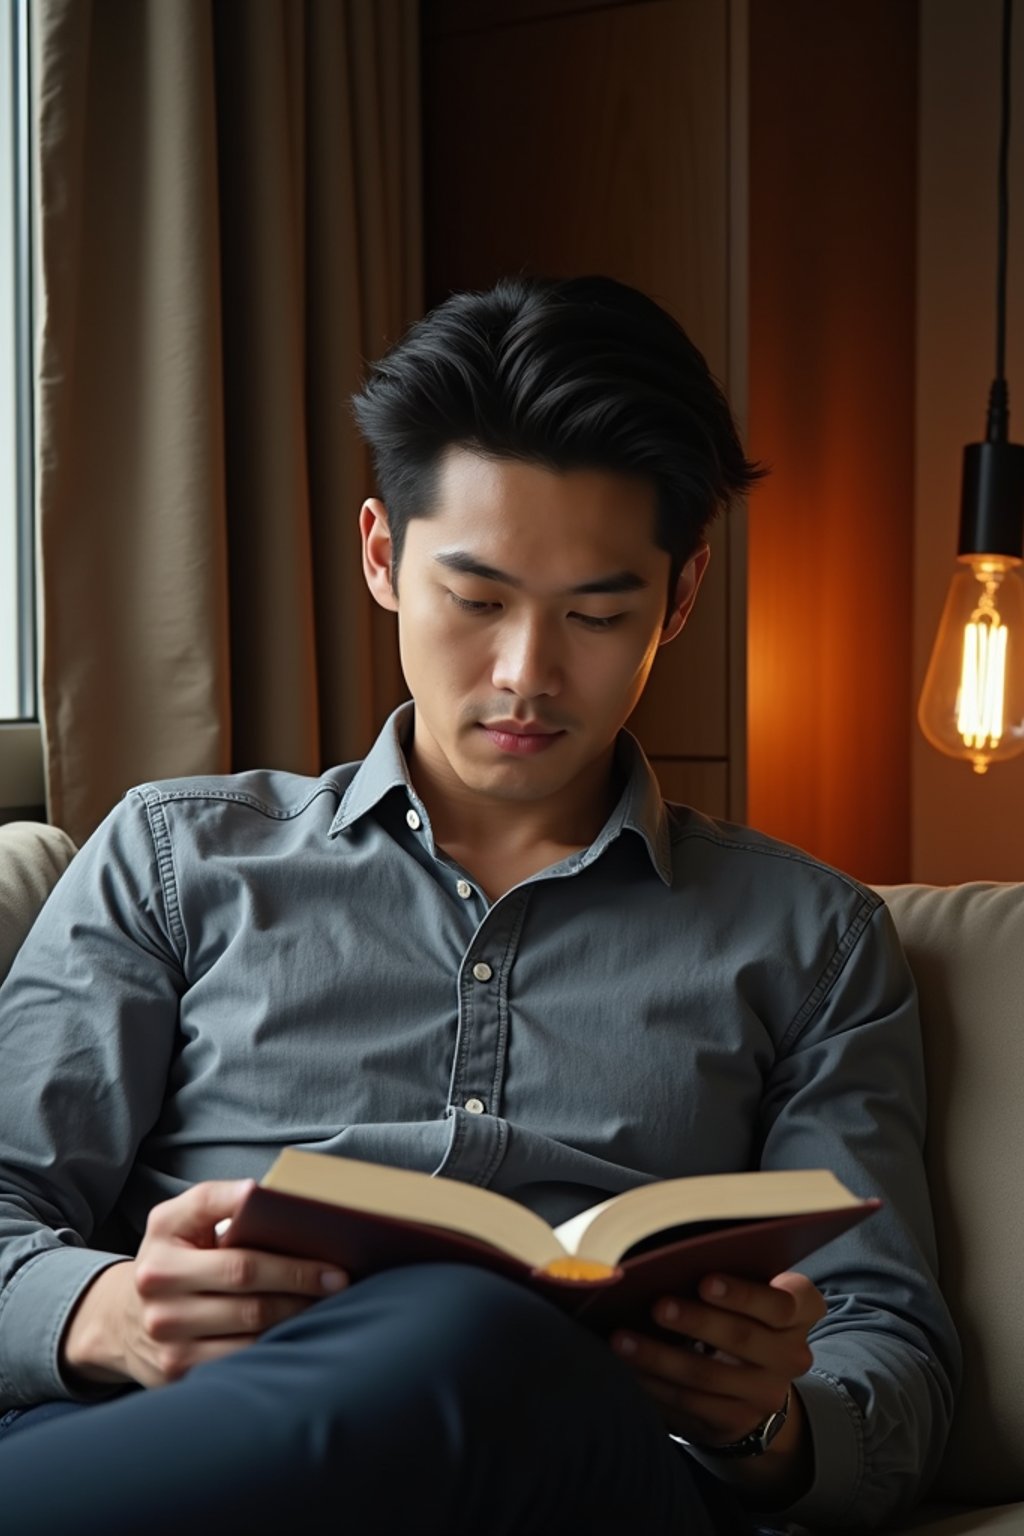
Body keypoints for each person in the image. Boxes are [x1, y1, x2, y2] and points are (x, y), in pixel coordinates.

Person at [0, 274, 958, 1535]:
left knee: (481, 1337)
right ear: (383, 558)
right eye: (478, 599)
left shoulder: (812, 942)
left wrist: (764, 1421)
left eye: (597, 614)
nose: (525, 674)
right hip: (190, 1437)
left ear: (677, 600)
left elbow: (888, 1352)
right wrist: (109, 1312)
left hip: (592, 1476)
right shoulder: (178, 859)